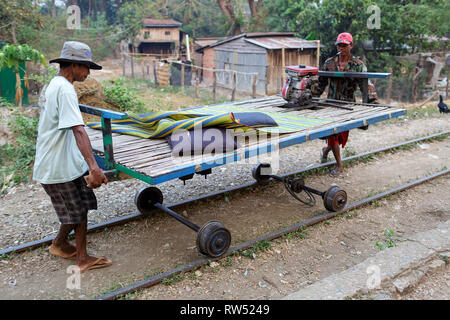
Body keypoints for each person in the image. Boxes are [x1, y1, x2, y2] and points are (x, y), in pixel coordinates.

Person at [33, 41, 111, 273]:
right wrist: (94, 167)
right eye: (86, 67)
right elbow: (78, 129)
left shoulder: (56, 84)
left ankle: (59, 245)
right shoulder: (65, 89)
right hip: (55, 166)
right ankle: (83, 259)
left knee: (78, 207)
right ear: (74, 65)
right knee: (76, 212)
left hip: (63, 162)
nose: (88, 73)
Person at [311, 32, 378, 176]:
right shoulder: (329, 63)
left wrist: (372, 102)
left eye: (345, 45)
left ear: (351, 46)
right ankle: (339, 165)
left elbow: (366, 85)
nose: (342, 47)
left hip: (348, 105)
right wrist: (311, 98)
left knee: (341, 136)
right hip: (330, 104)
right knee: (333, 134)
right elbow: (321, 84)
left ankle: (326, 150)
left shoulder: (358, 66)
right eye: (340, 45)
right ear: (337, 45)